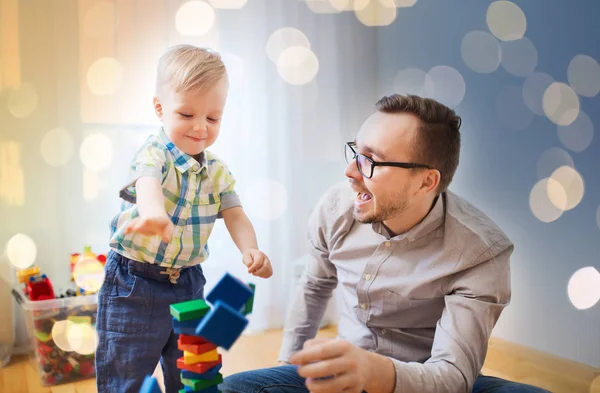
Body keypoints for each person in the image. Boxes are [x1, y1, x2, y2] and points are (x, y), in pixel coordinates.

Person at [220, 94, 549, 393]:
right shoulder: (336, 208)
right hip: (345, 375)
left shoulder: (480, 253)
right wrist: (289, 368)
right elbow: (315, 285)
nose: (350, 172)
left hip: (424, 382)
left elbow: (451, 376)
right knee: (236, 389)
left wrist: (378, 373)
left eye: (371, 161)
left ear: (426, 181)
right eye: (355, 152)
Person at [95, 44, 273, 393]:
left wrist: (251, 249)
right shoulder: (153, 153)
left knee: (194, 373)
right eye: (187, 114)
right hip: (135, 283)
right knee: (127, 373)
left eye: (212, 118)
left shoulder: (218, 171)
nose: (200, 128)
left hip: (188, 282)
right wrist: (153, 214)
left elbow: (235, 214)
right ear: (160, 109)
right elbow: (147, 181)